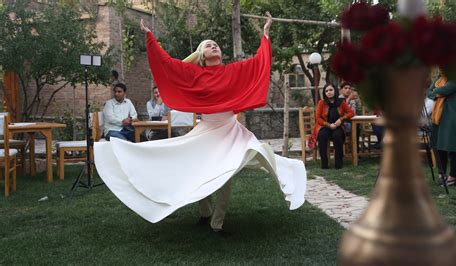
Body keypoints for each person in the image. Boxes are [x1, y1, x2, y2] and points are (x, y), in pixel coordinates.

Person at [93, 13, 306, 235]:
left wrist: (265, 35)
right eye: (208, 45)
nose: (214, 47)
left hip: (230, 131)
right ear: (202, 55)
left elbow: (258, 64)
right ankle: (205, 212)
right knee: (200, 170)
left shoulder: (232, 70)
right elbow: (167, 65)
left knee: (227, 173)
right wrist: (150, 38)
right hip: (207, 130)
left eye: (216, 45)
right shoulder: (194, 74)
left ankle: (218, 221)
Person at [428, 66, 456, 186]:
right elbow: (430, 92)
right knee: (439, 144)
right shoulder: (440, 76)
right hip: (439, 115)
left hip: (453, 115)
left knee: (454, 145)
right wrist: (436, 91)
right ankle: (442, 174)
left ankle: (453, 177)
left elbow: (443, 90)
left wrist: (436, 91)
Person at [311, 84, 354, 169]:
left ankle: (338, 163)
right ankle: (324, 163)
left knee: (337, 135)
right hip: (325, 126)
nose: (329, 92)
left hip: (338, 126)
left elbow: (351, 113)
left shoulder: (341, 102)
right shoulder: (321, 103)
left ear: (335, 90)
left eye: (330, 90)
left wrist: (341, 119)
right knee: (322, 135)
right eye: (326, 91)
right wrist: (328, 125)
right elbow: (318, 118)